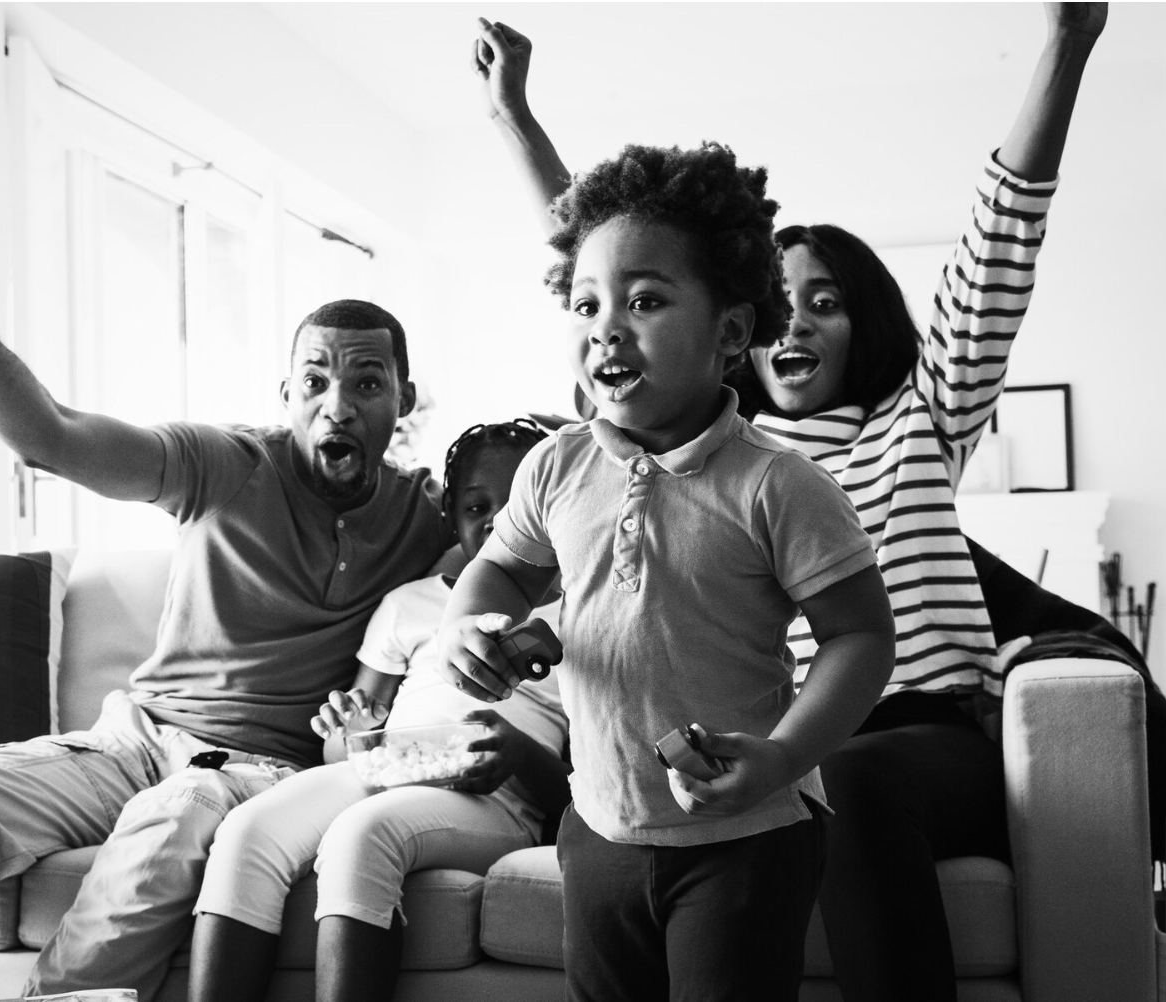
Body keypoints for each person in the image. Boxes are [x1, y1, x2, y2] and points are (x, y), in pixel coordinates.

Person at [472, 6, 1106, 999]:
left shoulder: (920, 416)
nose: (799, 320)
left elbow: (995, 255)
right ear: (740, 335)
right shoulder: (708, 442)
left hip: (915, 730)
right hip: (744, 742)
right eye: (786, 304)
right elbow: (616, 263)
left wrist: (1063, 48)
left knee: (840, 784)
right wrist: (515, 121)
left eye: (828, 300)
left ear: (869, 325)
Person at [0, 181, 450, 1002]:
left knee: (176, 812)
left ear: (403, 399)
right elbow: (52, 438)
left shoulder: (430, 519)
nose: (338, 404)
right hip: (133, 743)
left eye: (367, 383)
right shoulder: (225, 465)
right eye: (315, 381)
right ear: (285, 396)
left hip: (258, 772)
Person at [437, 138, 897, 1002]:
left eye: (644, 300)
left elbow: (862, 636)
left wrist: (783, 753)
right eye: (584, 303)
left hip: (748, 834)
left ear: (730, 332)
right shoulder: (554, 466)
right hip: (599, 825)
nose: (605, 325)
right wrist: (473, 626)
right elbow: (498, 569)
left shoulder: (778, 484)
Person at [185, 418, 569, 1002]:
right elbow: (344, 747)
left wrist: (515, 753)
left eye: (516, 503)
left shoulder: (582, 615)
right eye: (476, 505)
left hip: (500, 799)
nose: (496, 519)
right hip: (394, 770)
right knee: (245, 830)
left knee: (361, 834)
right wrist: (354, 736)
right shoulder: (409, 605)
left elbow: (582, 791)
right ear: (450, 517)